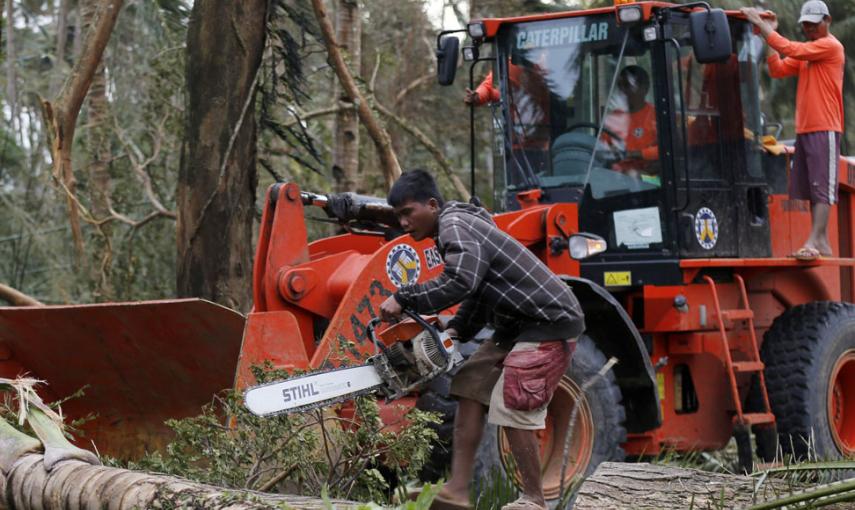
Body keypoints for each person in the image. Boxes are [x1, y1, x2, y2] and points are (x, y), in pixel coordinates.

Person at [379, 169, 585, 510]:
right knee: (470, 384)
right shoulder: (458, 227)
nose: (403, 222)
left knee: (512, 402)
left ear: (432, 205)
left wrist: (405, 297)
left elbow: (461, 281)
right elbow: (478, 292)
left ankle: (534, 501)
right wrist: (458, 330)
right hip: (515, 325)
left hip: (549, 323)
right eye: (397, 215)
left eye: (407, 212)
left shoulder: (454, 225)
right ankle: (458, 490)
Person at [742, 1, 845, 260]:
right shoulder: (809, 54)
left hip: (825, 126)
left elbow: (790, 48)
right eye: (806, 25)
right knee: (811, 187)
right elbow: (777, 69)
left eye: (814, 23)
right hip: (806, 128)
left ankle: (815, 239)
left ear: (827, 21)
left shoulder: (830, 46)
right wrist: (768, 34)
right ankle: (819, 240)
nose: (809, 28)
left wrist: (762, 26)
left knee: (822, 186)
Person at [602, 65, 660, 184]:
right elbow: (602, 147)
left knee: (632, 175)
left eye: (628, 86)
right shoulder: (613, 118)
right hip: (617, 177)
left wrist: (638, 154)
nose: (623, 91)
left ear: (645, 88)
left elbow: (669, 149)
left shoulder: (657, 116)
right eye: (620, 86)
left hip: (652, 178)